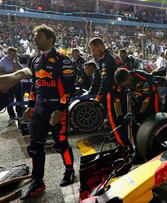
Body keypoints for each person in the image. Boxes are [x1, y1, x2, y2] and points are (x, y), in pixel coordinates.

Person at [21, 24, 76, 199]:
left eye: (39, 37)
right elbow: (34, 85)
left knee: (61, 143)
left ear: (50, 39)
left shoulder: (63, 60)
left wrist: (60, 110)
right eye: (34, 37)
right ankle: (38, 182)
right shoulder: (35, 60)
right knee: (35, 147)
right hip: (39, 110)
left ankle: (69, 169)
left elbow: (68, 89)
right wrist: (30, 106)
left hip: (56, 110)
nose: (35, 40)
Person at [89, 37, 123, 145]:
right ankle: (116, 135)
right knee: (112, 117)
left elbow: (106, 81)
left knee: (113, 117)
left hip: (111, 92)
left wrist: (98, 97)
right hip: (110, 92)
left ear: (100, 46)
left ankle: (119, 140)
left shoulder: (107, 59)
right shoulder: (103, 59)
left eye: (93, 49)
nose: (92, 52)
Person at [113, 68, 159, 143]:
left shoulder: (144, 79)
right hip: (137, 96)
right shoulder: (121, 81)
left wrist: (140, 114)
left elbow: (146, 99)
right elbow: (116, 99)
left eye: (122, 84)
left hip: (151, 97)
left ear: (127, 79)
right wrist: (119, 116)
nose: (121, 86)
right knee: (133, 120)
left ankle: (155, 139)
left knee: (151, 119)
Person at [0, 47, 25, 122]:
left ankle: (20, 113)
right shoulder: (2, 61)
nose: (13, 56)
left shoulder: (15, 60)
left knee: (19, 97)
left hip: (17, 82)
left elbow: (22, 70)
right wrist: (12, 74)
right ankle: (12, 115)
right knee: (9, 99)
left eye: (15, 54)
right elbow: (0, 73)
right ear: (8, 53)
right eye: (11, 54)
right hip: (8, 83)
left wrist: (16, 62)